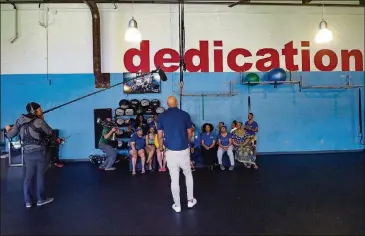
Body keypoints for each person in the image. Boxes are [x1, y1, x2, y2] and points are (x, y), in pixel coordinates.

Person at [4, 102, 54, 208]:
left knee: (28, 177)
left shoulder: (19, 121)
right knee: (40, 176)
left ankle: (28, 201)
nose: (42, 109)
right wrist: (43, 120)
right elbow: (50, 132)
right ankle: (41, 199)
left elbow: (10, 135)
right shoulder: (40, 122)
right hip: (39, 152)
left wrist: (7, 129)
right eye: (40, 109)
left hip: (27, 153)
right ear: (35, 111)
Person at [157, 96, 197, 213]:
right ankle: (190, 201)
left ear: (167, 104)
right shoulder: (185, 115)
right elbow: (190, 133)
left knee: (174, 179)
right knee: (188, 174)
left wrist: (160, 148)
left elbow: (160, 135)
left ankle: (177, 205)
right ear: (177, 103)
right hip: (184, 149)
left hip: (170, 151)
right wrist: (187, 142)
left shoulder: (162, 116)